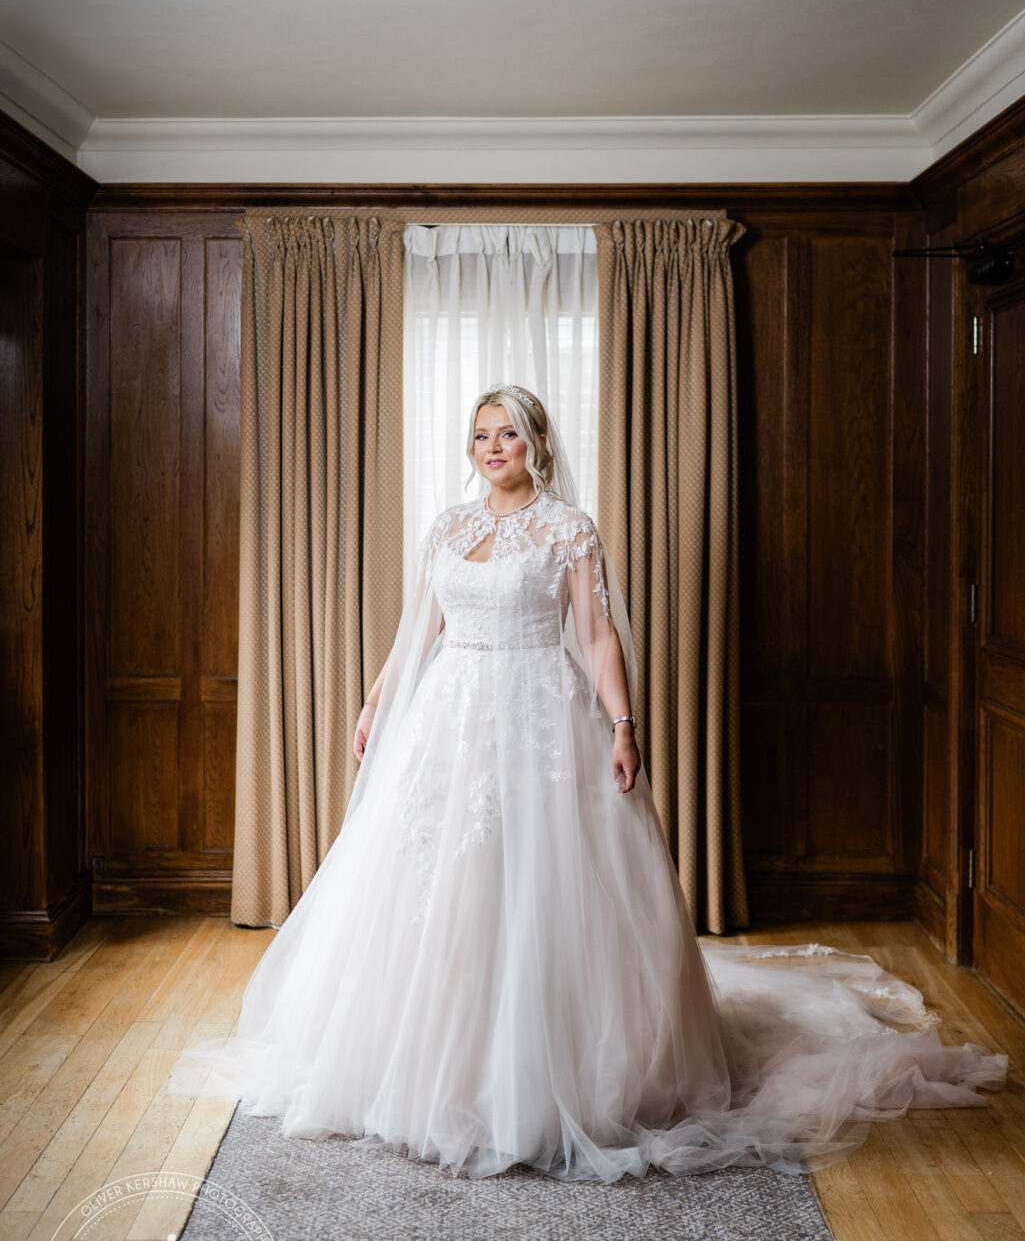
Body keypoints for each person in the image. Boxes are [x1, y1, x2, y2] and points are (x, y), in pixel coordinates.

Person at [167, 384, 1007, 1182]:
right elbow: (414, 631)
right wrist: (374, 704)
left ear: (537, 445)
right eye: (480, 434)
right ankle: (427, 1062)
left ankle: (546, 1073)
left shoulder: (568, 528)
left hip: (541, 713)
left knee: (543, 889)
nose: (493, 447)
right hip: (449, 718)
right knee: (436, 884)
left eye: (508, 434)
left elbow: (598, 636)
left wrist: (621, 724)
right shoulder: (448, 527)